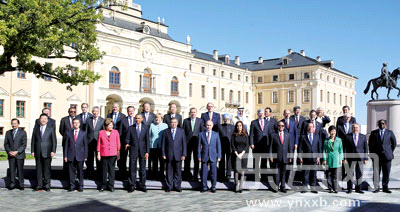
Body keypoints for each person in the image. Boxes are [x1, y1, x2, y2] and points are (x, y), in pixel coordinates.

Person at [369, 119, 396, 193]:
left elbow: (394, 143)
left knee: (386, 172)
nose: (382, 125)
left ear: (385, 124)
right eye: (380, 124)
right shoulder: (374, 133)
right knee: (376, 172)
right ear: (378, 124)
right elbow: (370, 145)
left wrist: (389, 152)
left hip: (387, 156)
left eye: (383, 123)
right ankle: (376, 187)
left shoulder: (390, 133)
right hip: (376, 156)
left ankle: (385, 187)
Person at [31, 113, 57, 191]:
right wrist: (32, 150)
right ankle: (39, 185)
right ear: (39, 119)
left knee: (47, 169)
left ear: (47, 120)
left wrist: (53, 151)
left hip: (47, 152)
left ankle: (47, 185)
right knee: (38, 169)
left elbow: (54, 141)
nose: (43, 120)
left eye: (45, 119)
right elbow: (33, 140)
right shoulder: (36, 128)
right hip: (38, 151)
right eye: (42, 118)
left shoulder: (51, 128)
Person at [126, 114, 150, 192]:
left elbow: (147, 141)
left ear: (142, 119)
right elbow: (127, 138)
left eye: (138, 118)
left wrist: (147, 151)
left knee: (142, 169)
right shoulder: (131, 128)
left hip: (143, 151)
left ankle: (142, 185)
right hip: (133, 150)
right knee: (132, 169)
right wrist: (127, 143)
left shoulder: (145, 128)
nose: (137, 120)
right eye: (136, 118)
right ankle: (132, 185)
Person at [161, 118, 187, 192]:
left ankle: (177, 186)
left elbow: (184, 143)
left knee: (178, 172)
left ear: (177, 123)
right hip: (169, 154)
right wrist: (163, 153)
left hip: (178, 154)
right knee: (169, 171)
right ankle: (169, 186)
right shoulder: (166, 131)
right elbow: (163, 143)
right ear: (170, 123)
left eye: (175, 122)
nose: (173, 124)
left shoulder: (181, 131)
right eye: (172, 122)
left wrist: (184, 154)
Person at [64, 118, 88, 192]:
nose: (76, 124)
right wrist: (65, 156)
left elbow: (85, 145)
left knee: (80, 171)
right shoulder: (68, 133)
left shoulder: (83, 133)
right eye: (74, 123)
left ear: (80, 124)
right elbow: (66, 145)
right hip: (71, 155)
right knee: (71, 172)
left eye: (77, 123)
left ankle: (80, 186)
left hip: (80, 155)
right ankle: (72, 185)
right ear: (72, 124)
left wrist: (86, 156)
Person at [97, 118, 120, 192]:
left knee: (111, 170)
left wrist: (118, 153)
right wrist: (98, 153)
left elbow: (118, 143)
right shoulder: (101, 132)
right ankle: (103, 185)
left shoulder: (115, 132)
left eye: (112, 125)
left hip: (113, 153)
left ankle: (111, 185)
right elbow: (99, 143)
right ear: (106, 125)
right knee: (104, 170)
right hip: (104, 153)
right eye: (110, 125)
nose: (111, 126)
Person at [344, 123, 368, 194]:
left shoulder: (363, 137)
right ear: (352, 129)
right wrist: (345, 158)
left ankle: (358, 188)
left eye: (357, 127)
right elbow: (345, 148)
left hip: (360, 158)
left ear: (359, 128)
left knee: (359, 173)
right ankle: (350, 188)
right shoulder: (348, 136)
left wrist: (366, 158)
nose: (355, 129)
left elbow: (365, 148)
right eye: (354, 127)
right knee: (350, 173)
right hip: (350, 157)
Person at [269, 121, 293, 193]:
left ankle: (283, 187)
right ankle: (276, 187)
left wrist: (290, 157)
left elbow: (290, 147)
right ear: (277, 126)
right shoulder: (273, 135)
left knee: (283, 173)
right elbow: (271, 147)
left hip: (285, 157)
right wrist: (271, 156)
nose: (281, 127)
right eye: (279, 125)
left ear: (284, 127)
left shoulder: (287, 135)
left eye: (282, 126)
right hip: (276, 157)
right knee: (276, 173)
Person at [198, 120, 221, 193]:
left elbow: (218, 146)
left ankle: (213, 186)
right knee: (204, 173)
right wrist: (199, 155)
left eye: (210, 125)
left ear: (212, 126)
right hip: (204, 155)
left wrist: (219, 156)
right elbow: (198, 146)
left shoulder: (216, 134)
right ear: (205, 126)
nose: (208, 127)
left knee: (213, 172)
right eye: (207, 125)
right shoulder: (201, 134)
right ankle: (204, 186)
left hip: (213, 156)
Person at [4, 118, 27, 190]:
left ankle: (21, 184)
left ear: (18, 124)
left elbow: (24, 144)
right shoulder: (8, 132)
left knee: (20, 170)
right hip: (11, 155)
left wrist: (17, 151)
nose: (14, 125)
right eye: (12, 123)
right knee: (12, 170)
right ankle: (12, 183)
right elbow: (6, 144)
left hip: (19, 155)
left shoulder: (23, 132)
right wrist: (9, 151)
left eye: (15, 123)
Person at [182, 107, 204, 181]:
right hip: (187, 144)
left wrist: (201, 143)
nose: (193, 113)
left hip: (196, 144)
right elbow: (183, 133)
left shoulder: (200, 121)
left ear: (196, 113)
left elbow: (201, 133)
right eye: (192, 112)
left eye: (194, 112)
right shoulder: (186, 121)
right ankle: (186, 175)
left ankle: (195, 176)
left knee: (196, 160)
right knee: (187, 160)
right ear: (190, 113)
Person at [298, 123, 321, 193]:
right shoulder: (303, 137)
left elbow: (319, 147)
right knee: (305, 173)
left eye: (312, 127)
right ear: (307, 128)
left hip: (314, 158)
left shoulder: (317, 136)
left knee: (314, 174)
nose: (310, 128)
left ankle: (313, 188)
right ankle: (304, 187)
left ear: (314, 128)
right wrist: (300, 157)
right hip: (306, 158)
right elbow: (300, 148)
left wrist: (319, 157)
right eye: (309, 127)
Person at [249, 109, 270, 181]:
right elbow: (251, 134)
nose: (261, 115)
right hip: (256, 145)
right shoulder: (254, 122)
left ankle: (264, 177)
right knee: (256, 161)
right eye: (260, 113)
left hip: (265, 145)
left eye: (262, 113)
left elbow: (269, 134)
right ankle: (256, 176)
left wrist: (270, 144)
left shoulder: (267, 122)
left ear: (264, 114)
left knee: (264, 161)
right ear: (257, 114)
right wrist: (251, 143)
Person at [85, 106, 105, 179]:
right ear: (92, 112)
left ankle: (99, 175)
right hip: (90, 142)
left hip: (98, 142)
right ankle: (90, 174)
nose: (95, 113)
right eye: (94, 111)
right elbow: (86, 131)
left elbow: (103, 132)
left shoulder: (102, 120)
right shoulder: (88, 120)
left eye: (96, 111)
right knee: (90, 159)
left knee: (98, 159)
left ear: (98, 112)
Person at [323, 125, 343, 193]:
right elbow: (324, 150)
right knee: (329, 174)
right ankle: (330, 188)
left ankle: (336, 188)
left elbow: (340, 150)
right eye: (331, 131)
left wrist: (341, 159)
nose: (333, 133)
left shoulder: (339, 140)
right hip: (329, 158)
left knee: (336, 175)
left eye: (334, 131)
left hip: (336, 159)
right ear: (329, 132)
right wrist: (324, 159)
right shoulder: (326, 140)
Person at [118, 106, 136, 179]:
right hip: (124, 142)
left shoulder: (136, 120)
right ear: (127, 111)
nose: (131, 112)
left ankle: (131, 175)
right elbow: (120, 132)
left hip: (133, 143)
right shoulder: (123, 120)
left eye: (132, 111)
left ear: (134, 111)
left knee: (132, 159)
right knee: (123, 159)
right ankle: (123, 174)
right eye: (129, 111)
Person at [149, 113, 168, 180]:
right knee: (154, 161)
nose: (157, 119)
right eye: (156, 118)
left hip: (162, 146)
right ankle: (154, 175)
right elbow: (149, 136)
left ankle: (162, 175)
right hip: (153, 146)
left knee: (162, 162)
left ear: (161, 118)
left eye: (159, 118)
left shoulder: (165, 125)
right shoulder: (152, 125)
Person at [231, 121, 249, 193]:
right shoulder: (234, 135)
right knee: (236, 170)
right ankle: (236, 185)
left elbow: (247, 145)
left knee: (242, 171)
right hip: (236, 154)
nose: (239, 127)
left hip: (243, 154)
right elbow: (232, 145)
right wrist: (237, 154)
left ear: (242, 126)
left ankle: (241, 186)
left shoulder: (245, 134)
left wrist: (242, 154)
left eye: (240, 126)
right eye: (238, 126)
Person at [281, 109, 297, 185]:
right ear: (283, 114)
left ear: (290, 114)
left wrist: (296, 143)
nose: (287, 115)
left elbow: (296, 133)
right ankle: (283, 178)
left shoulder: (293, 122)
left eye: (289, 113)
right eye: (286, 113)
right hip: (283, 145)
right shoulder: (281, 122)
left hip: (291, 145)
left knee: (290, 161)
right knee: (284, 161)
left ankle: (288, 178)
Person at [218, 114, 234, 181]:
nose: (226, 120)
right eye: (225, 119)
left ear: (230, 119)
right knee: (221, 161)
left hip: (230, 146)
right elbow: (217, 137)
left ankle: (228, 175)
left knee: (229, 161)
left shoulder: (233, 127)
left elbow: (233, 137)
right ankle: (221, 175)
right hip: (221, 146)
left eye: (227, 119)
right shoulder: (220, 126)